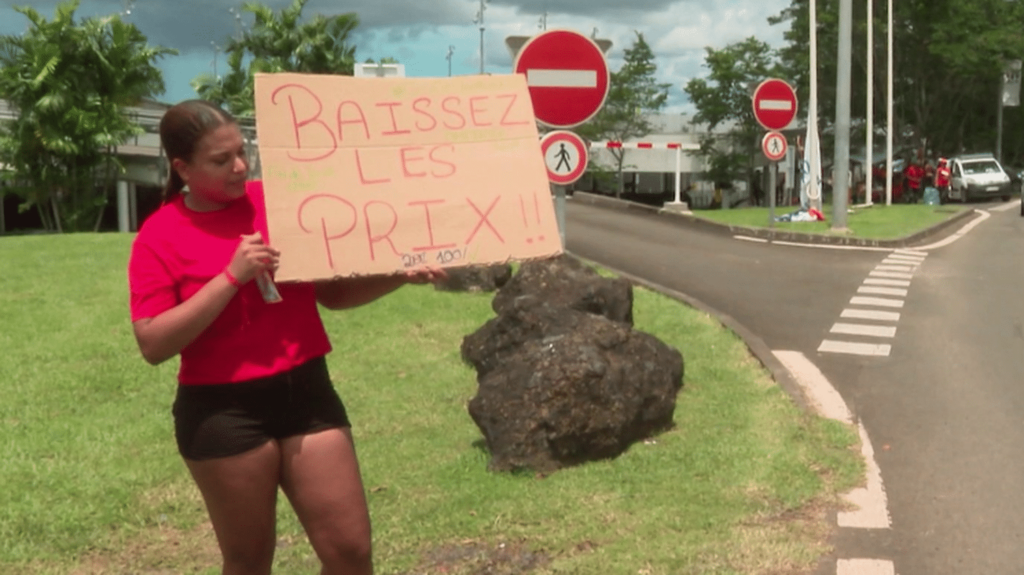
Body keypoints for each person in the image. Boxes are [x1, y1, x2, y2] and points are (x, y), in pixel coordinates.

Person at [127, 100, 444, 575]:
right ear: (182, 168)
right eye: (220, 160)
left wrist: (399, 275)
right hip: (222, 410)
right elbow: (153, 343)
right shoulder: (159, 236)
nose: (239, 166)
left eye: (242, 151)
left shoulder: (277, 202)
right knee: (250, 561)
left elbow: (332, 295)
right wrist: (230, 278)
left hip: (307, 391)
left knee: (351, 553)